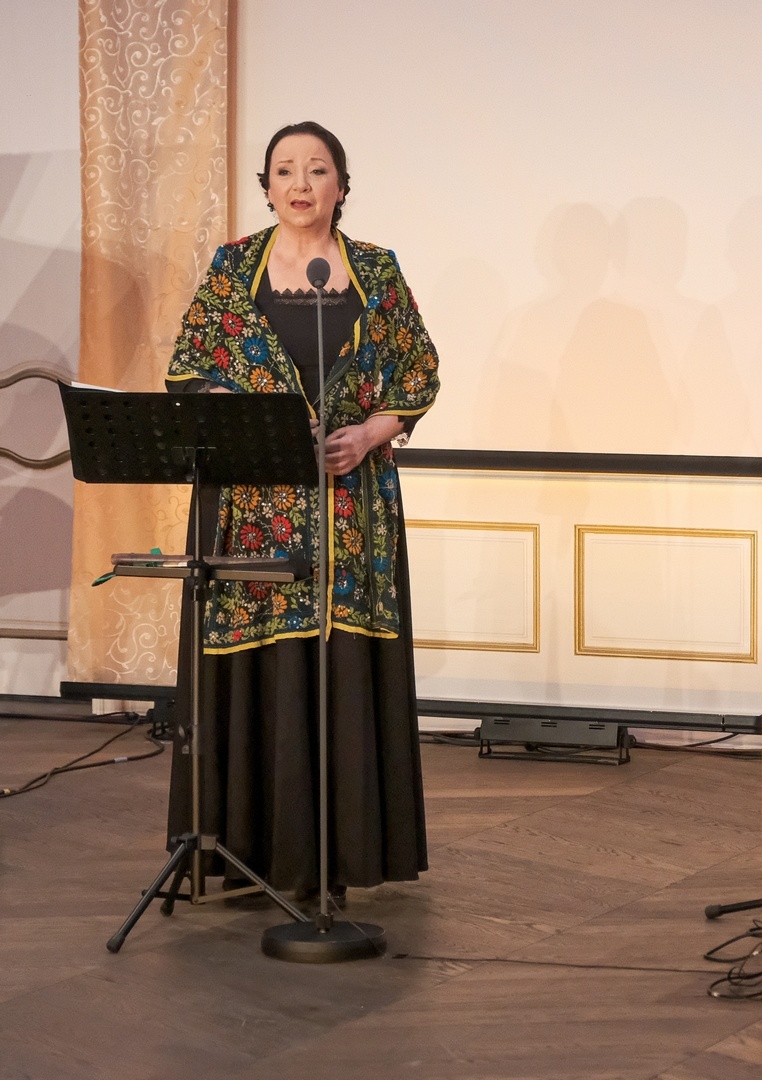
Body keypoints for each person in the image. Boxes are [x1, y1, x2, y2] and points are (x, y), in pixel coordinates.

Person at [165, 121, 441, 900]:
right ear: (266, 188)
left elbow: (418, 373)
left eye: (317, 170)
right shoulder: (233, 269)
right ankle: (250, 855)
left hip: (351, 506)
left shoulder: (375, 270)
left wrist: (371, 433)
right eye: (284, 170)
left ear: (341, 187)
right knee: (261, 673)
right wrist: (242, 416)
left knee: (338, 670)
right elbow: (190, 366)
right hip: (250, 504)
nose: (300, 183)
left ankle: (337, 863)